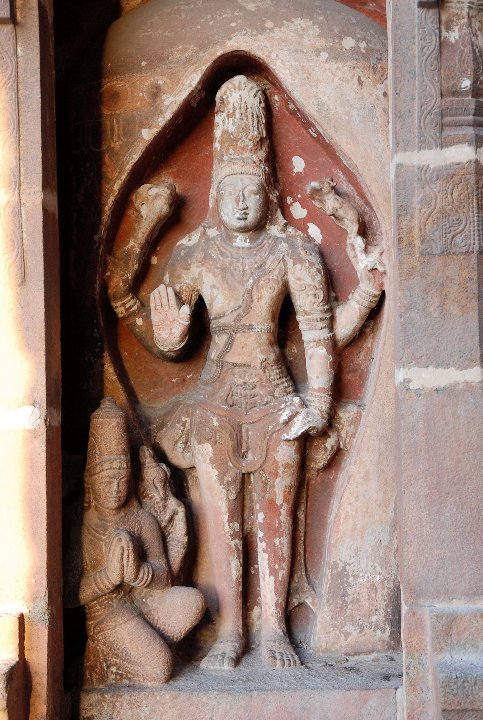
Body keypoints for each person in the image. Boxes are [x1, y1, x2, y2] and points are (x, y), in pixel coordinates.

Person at [106, 75, 381, 670]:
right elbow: (170, 342)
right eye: (230, 189)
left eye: (251, 189)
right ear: (217, 191)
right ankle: (231, 631)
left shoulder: (294, 252)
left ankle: (276, 629)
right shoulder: (195, 254)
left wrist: (320, 402)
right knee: (221, 520)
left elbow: (319, 333)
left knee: (275, 518)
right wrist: (169, 333)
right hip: (213, 403)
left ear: (269, 190)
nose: (240, 201)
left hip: (278, 403)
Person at [80, 397, 205, 686]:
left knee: (193, 601)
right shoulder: (86, 527)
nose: (115, 488)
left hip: (145, 600)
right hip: (109, 614)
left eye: (122, 480)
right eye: (106, 481)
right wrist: (109, 577)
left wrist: (140, 574)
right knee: (160, 669)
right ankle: (111, 658)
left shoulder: (142, 520)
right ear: (90, 482)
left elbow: (164, 579)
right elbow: (73, 595)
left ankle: (144, 643)